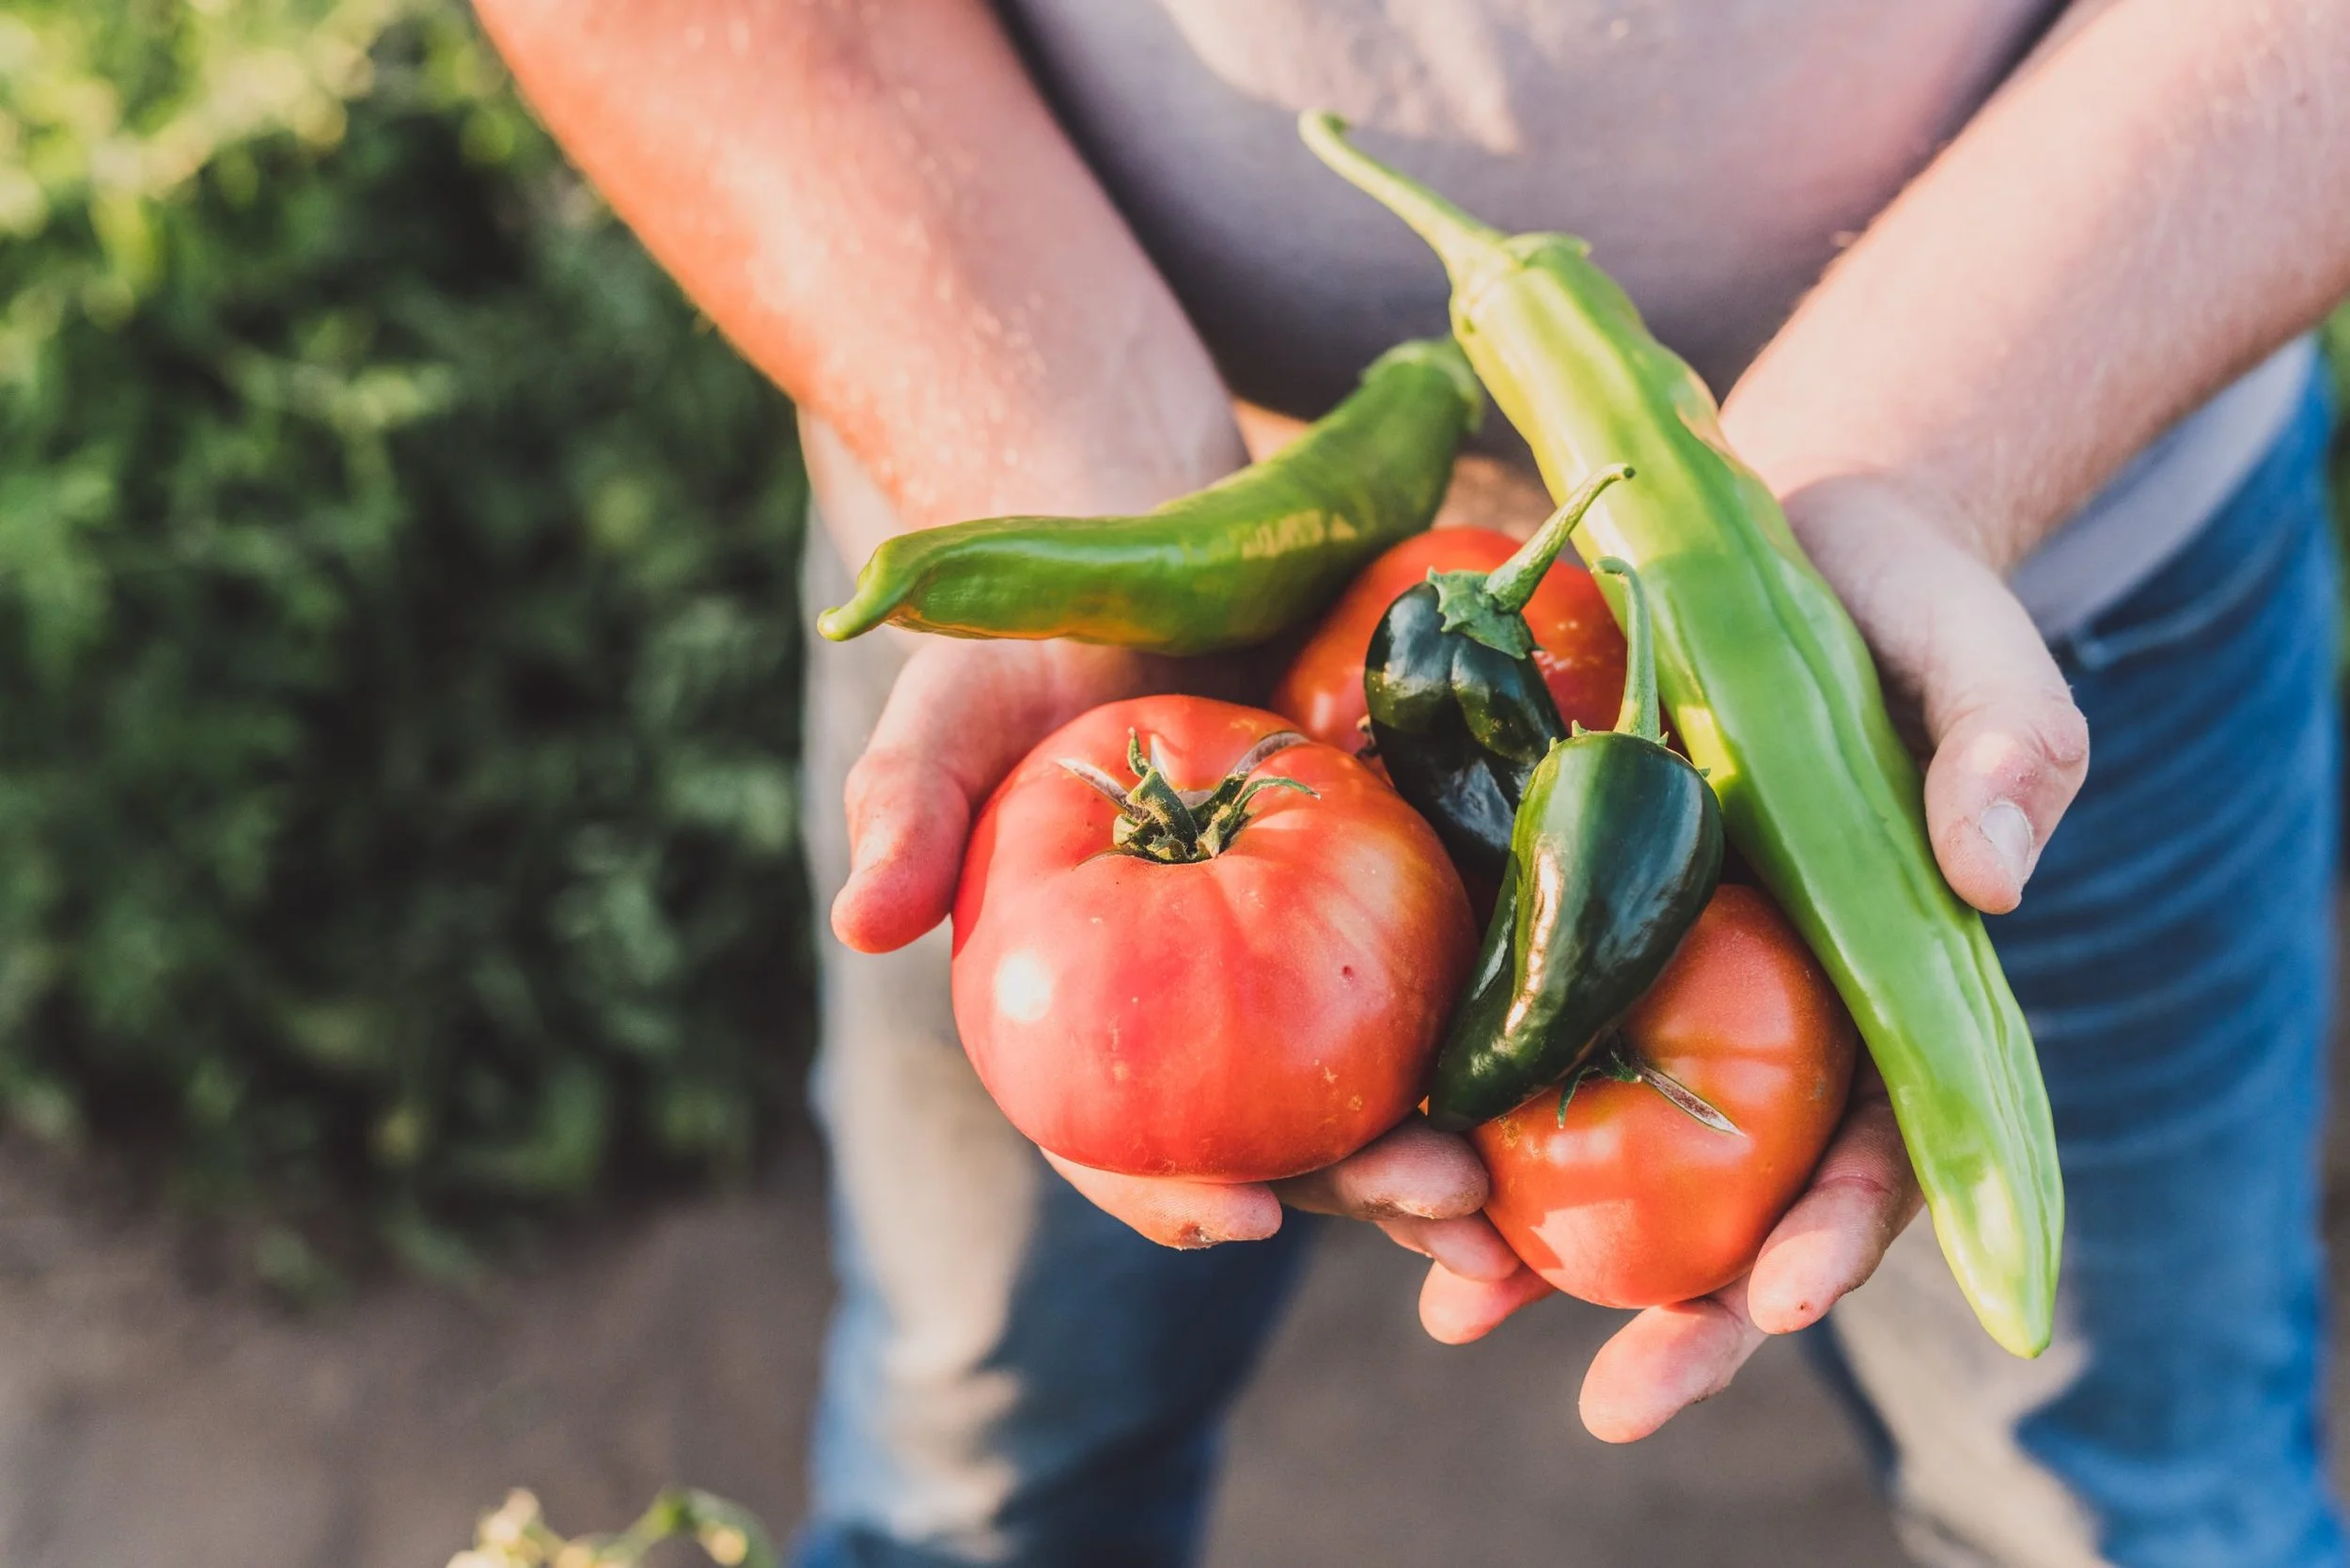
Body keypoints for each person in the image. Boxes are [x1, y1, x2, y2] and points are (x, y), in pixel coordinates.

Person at [474, 3, 2350, 1563]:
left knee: (2127, 1506)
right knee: (982, 1465)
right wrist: (1046, 451)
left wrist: (1903, 464)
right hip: (1067, 598)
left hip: (2035, 598)